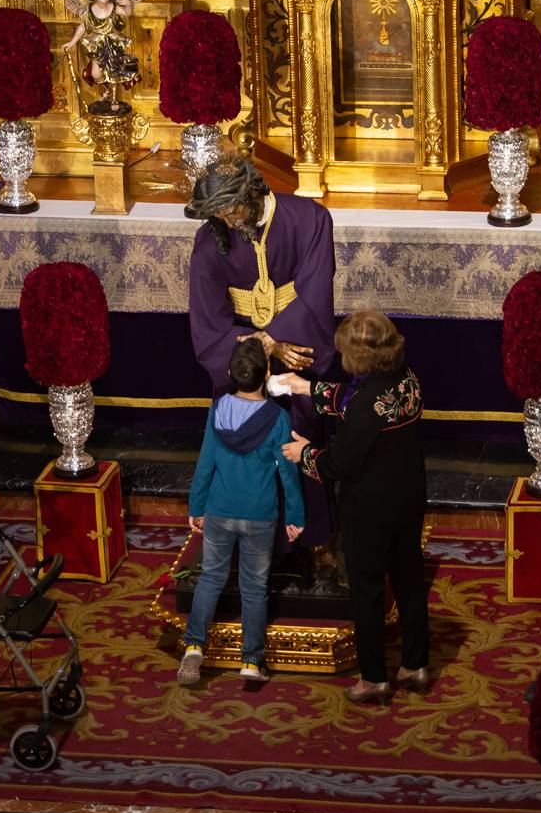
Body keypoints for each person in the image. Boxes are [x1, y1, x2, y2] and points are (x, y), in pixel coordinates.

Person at [187, 156, 338, 582]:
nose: (228, 222)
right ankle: (241, 542)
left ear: (254, 193)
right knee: (239, 443)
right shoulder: (208, 239)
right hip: (241, 361)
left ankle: (313, 540)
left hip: (298, 347)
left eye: (233, 209)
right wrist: (255, 355)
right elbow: (207, 319)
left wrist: (279, 340)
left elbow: (314, 297)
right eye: (218, 213)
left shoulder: (310, 219)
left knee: (299, 432)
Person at [280, 311, 429, 704]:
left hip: (370, 511)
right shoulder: (407, 379)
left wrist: (303, 452)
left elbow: (337, 465)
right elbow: (357, 401)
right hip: (410, 499)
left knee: (366, 592)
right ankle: (415, 664)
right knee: (410, 581)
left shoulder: (365, 402)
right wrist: (307, 388)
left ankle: (374, 678)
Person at [179, 339, 306, 686]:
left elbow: (205, 462)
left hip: (219, 511)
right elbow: (287, 473)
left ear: (231, 373)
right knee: (254, 588)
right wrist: (295, 517)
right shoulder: (279, 418)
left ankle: (193, 646)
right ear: (267, 373)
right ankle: (251, 661)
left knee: (211, 578)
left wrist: (196, 506)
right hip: (259, 516)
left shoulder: (217, 408)